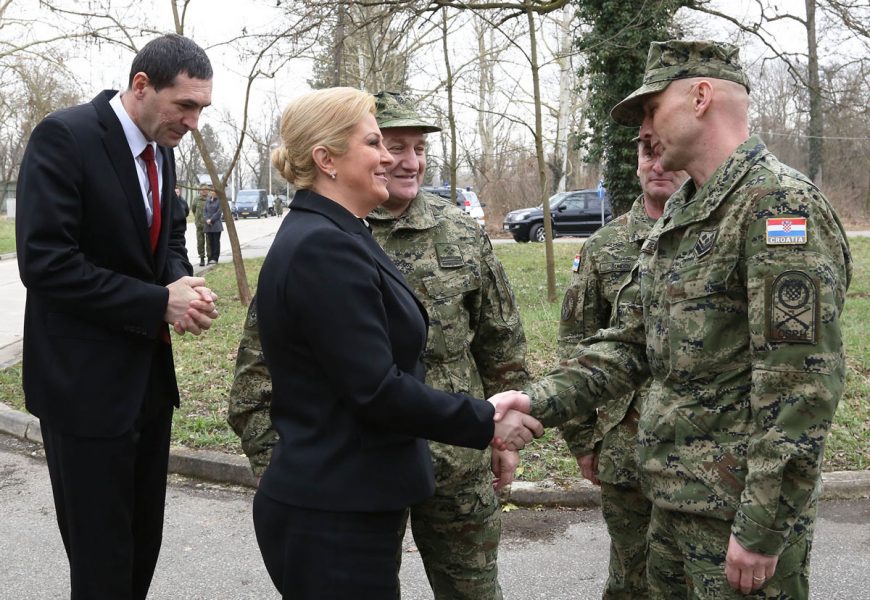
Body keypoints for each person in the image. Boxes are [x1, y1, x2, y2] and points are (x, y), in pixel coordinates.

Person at [493, 40, 852, 599]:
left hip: (734, 518)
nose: (645, 129)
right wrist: (535, 400)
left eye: (651, 109)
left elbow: (800, 384)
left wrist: (761, 527)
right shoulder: (685, 212)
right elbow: (632, 344)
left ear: (701, 97)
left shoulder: (778, 207)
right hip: (670, 500)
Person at [229, 91, 529, 599]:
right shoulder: (323, 245)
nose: (392, 159)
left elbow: (495, 338)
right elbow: (373, 388)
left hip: (373, 490)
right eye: (376, 143)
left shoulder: (341, 232)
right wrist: (486, 421)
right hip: (336, 504)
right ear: (326, 159)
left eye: (410, 148)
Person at [15, 34, 218, 600]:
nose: (194, 122)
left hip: (148, 385)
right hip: (83, 390)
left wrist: (182, 283)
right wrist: (157, 303)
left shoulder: (163, 147)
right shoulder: (65, 137)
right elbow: (46, 264)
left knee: (141, 549)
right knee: (102, 563)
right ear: (141, 86)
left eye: (202, 108)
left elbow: (168, 238)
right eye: (185, 105)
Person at [557, 136, 687, 599]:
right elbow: (575, 345)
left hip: (699, 451)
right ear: (636, 164)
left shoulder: (713, 238)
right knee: (631, 578)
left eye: (668, 152)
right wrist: (582, 440)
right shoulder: (604, 246)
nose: (658, 164)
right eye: (648, 154)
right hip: (624, 450)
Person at [203, 187, 223, 264]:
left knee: (216, 242)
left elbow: (219, 212)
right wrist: (206, 219)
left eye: (214, 192)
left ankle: (215, 258)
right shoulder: (207, 200)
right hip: (208, 225)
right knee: (210, 242)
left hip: (216, 225)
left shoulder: (219, 201)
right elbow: (204, 211)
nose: (212, 193)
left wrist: (211, 220)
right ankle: (210, 258)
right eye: (211, 192)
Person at [192, 183, 209, 266]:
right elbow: (193, 209)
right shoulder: (196, 199)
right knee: (200, 242)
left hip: (208, 224)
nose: (204, 191)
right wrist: (198, 218)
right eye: (203, 190)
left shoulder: (210, 198)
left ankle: (210, 257)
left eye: (206, 190)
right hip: (199, 224)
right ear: (200, 191)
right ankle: (202, 258)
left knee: (209, 242)